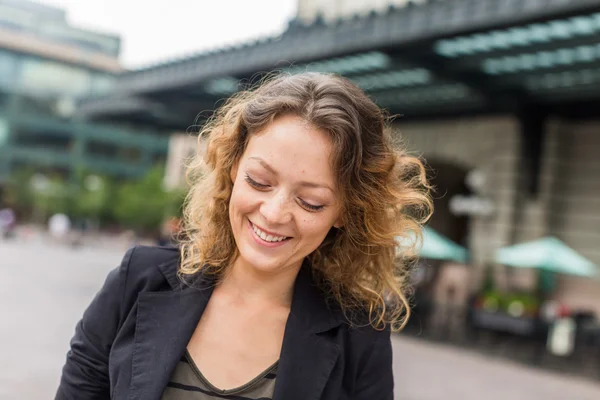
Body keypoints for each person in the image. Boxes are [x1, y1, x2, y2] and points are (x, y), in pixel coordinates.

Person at [55, 72, 432, 400]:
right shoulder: (136, 280)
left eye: (311, 201)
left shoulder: (360, 336)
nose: (273, 213)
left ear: (345, 212)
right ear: (233, 168)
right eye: (259, 181)